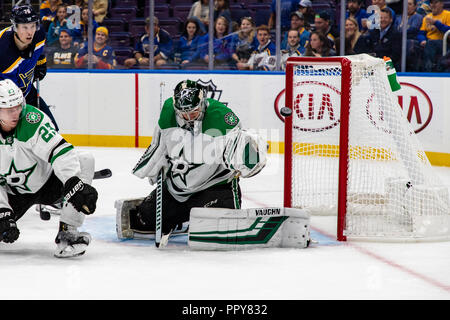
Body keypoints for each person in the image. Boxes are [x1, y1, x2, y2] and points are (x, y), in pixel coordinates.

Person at [116, 80, 267, 240]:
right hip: (178, 188)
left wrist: (250, 155)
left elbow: (240, 147)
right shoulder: (168, 110)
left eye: (193, 112)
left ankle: (190, 216)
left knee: (218, 228)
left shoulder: (221, 117)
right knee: (142, 220)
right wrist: (155, 166)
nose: (188, 117)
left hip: (214, 186)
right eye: (183, 113)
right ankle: (182, 220)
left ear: (203, 103)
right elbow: (159, 145)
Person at [0, 79, 98, 258]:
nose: (16, 113)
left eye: (17, 106)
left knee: (84, 159)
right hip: (12, 193)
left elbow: (60, 150)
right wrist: (2, 210)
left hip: (49, 183)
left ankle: (68, 231)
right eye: (9, 109)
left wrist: (72, 181)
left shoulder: (32, 119)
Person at [0, 4, 59, 131]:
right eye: (25, 27)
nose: (30, 32)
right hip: (5, 103)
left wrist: (41, 63)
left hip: (27, 92)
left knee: (51, 130)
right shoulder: (3, 50)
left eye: (33, 26)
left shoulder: (39, 34)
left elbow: (39, 51)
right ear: (15, 27)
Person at [417, 0, 450, 72]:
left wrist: (436, 23)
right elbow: (421, 33)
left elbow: (448, 30)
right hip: (429, 43)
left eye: (436, 2)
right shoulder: (427, 17)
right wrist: (422, 40)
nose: (433, 5)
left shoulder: (448, 15)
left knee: (431, 43)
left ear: (441, 4)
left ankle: (428, 70)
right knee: (413, 45)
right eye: (431, 3)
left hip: (444, 43)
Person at [395, 0, 424, 71]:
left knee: (408, 44)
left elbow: (413, 29)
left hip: (412, 41)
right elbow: (394, 29)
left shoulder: (418, 17)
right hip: (398, 40)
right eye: (406, 4)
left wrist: (400, 31)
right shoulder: (399, 17)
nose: (407, 6)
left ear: (415, 6)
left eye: (410, 4)